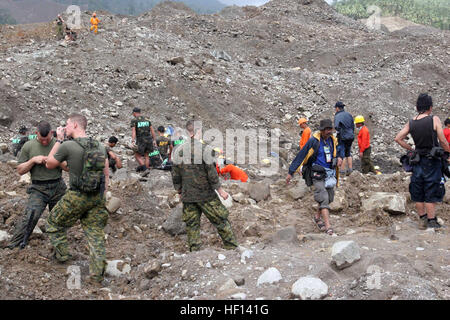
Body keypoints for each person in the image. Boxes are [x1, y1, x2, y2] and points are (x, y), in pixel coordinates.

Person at [45, 113, 110, 284]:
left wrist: (58, 140)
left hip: (77, 195)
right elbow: (105, 174)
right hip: (97, 197)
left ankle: (63, 256)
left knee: (53, 223)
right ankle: (97, 276)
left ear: (75, 125)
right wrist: (102, 197)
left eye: (66, 124)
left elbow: (49, 163)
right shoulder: (100, 146)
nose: (65, 128)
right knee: (95, 235)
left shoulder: (67, 145)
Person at [171, 120, 238, 252]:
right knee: (221, 220)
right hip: (205, 194)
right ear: (198, 132)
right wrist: (220, 190)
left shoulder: (178, 151)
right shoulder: (204, 150)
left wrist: (179, 190)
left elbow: (175, 175)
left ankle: (195, 252)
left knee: (192, 225)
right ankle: (232, 247)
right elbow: (212, 174)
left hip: (188, 195)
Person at [7, 121, 68, 249]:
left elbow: (68, 168)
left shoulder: (59, 145)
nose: (45, 142)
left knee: (59, 219)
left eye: (47, 139)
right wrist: (33, 160)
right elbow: (20, 170)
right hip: (38, 188)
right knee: (30, 217)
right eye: (42, 140)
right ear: (36, 134)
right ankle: (14, 246)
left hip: (57, 186)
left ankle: (59, 249)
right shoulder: (28, 146)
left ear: (52, 134)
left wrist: (55, 160)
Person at [394, 94, 450, 229]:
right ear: (430, 107)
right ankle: (432, 220)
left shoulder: (411, 122)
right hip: (433, 160)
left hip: (417, 159)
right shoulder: (434, 119)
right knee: (431, 188)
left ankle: (422, 218)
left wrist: (411, 149)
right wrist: (448, 152)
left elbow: (398, 138)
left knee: (418, 189)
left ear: (417, 107)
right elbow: (442, 140)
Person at [286, 119, 342, 235]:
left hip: (330, 173)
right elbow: (301, 155)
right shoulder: (314, 141)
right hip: (317, 173)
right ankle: (328, 226)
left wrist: (340, 157)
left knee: (329, 197)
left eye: (329, 129)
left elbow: (339, 151)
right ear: (321, 130)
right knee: (323, 196)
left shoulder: (333, 140)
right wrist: (291, 172)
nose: (328, 132)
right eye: (326, 130)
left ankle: (317, 217)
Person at [130, 107, 157, 172]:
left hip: (141, 140)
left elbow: (134, 131)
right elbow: (152, 131)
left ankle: (145, 169)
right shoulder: (147, 120)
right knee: (147, 155)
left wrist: (133, 140)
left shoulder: (134, 120)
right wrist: (154, 140)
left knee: (137, 155)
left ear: (134, 113)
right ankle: (146, 170)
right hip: (149, 139)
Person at [334, 101, 355, 176]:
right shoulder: (349, 115)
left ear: (337, 108)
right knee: (348, 153)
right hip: (350, 136)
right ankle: (350, 169)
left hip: (343, 136)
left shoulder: (338, 116)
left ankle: (342, 171)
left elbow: (336, 126)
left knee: (341, 153)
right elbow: (353, 125)